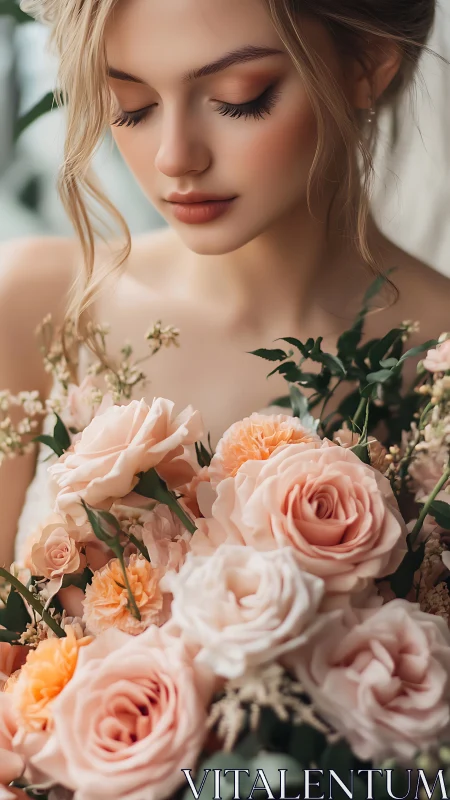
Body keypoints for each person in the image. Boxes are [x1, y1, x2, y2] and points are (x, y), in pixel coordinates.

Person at [1, 0, 450, 567]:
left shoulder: (441, 358)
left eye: (239, 98)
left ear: (366, 65)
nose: (174, 157)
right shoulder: (33, 306)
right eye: (131, 106)